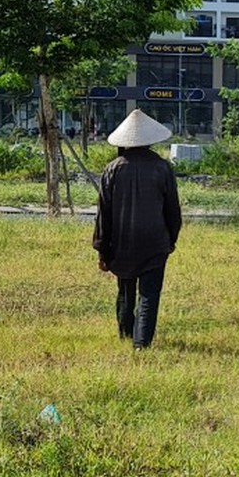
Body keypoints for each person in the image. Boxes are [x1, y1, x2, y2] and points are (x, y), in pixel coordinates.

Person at [93, 109, 182, 350]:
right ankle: (142, 343)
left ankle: (125, 333)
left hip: (122, 242)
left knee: (125, 289)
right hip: (155, 242)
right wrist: (171, 239)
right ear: (150, 140)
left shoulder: (112, 169)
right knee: (149, 295)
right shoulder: (162, 168)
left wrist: (102, 251)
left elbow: (104, 215)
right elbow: (173, 210)